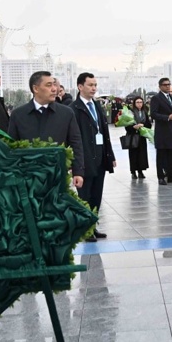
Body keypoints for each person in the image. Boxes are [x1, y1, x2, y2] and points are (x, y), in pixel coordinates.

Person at [7, 71, 85, 191]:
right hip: (27, 178)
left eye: (54, 85)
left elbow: (76, 143)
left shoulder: (66, 113)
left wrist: (78, 171)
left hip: (58, 176)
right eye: (49, 85)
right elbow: (11, 147)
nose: (54, 89)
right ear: (36, 88)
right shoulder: (18, 115)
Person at [69, 72, 116, 241]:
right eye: (90, 85)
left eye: (95, 85)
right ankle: (86, 229)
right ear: (80, 87)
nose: (94, 88)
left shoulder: (96, 106)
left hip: (100, 158)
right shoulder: (73, 109)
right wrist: (75, 164)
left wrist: (110, 155)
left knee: (96, 196)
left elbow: (104, 131)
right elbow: (73, 138)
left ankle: (93, 226)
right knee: (85, 197)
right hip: (84, 160)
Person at [150, 78, 172, 185]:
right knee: (161, 156)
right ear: (160, 86)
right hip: (162, 132)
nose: (167, 86)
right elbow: (153, 114)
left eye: (169, 84)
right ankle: (161, 177)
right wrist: (167, 117)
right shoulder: (156, 98)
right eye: (165, 85)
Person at [125, 95, 151, 179]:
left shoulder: (145, 112)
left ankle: (140, 171)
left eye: (141, 102)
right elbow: (126, 125)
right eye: (137, 102)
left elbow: (149, 124)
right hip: (133, 136)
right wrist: (133, 127)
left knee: (141, 154)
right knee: (133, 154)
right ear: (134, 103)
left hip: (141, 136)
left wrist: (143, 125)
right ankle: (133, 171)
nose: (139, 104)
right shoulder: (130, 112)